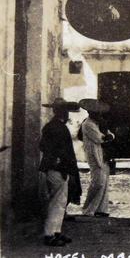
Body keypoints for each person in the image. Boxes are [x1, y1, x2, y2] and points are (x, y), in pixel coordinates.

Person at [39, 98, 80, 246]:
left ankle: (56, 231)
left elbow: (43, 146)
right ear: (61, 111)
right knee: (57, 202)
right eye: (65, 110)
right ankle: (50, 234)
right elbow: (47, 147)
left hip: (58, 168)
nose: (68, 113)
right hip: (57, 169)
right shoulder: (56, 127)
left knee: (60, 202)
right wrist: (58, 163)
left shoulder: (53, 126)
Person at [79, 99, 115, 217]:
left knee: (104, 181)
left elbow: (111, 135)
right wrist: (107, 136)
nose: (99, 115)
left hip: (103, 154)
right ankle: (88, 209)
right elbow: (100, 138)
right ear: (90, 113)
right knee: (98, 182)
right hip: (94, 154)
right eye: (96, 113)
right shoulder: (88, 124)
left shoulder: (98, 123)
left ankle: (101, 209)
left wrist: (108, 134)